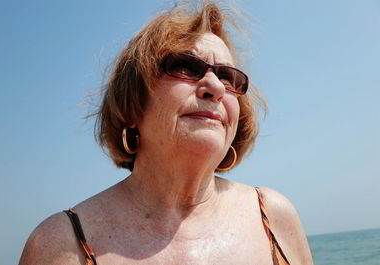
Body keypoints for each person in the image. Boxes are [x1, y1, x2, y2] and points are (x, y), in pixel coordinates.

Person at [19, 1, 313, 264]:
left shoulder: (274, 218)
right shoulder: (60, 245)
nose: (215, 87)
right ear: (131, 103)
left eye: (227, 76)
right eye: (185, 67)